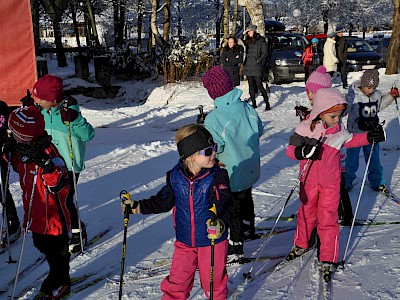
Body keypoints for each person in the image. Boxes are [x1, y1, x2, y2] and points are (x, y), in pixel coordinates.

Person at [121, 124, 233, 300]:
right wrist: (136, 206)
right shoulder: (175, 177)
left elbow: (226, 205)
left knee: (213, 285)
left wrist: (221, 224)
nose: (214, 154)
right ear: (190, 156)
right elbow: (162, 202)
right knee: (177, 283)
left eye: (215, 148)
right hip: (185, 242)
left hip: (212, 242)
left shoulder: (217, 177)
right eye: (208, 151)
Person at [286, 87, 385, 279]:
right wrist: (302, 152)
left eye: (339, 116)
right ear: (320, 112)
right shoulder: (305, 129)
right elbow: (290, 151)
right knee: (306, 214)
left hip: (331, 183)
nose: (337, 120)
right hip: (308, 182)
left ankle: (328, 256)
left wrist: (369, 137)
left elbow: (352, 140)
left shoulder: (338, 131)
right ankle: (302, 243)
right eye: (333, 116)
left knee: (328, 218)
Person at [8, 105, 71, 298]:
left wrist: (47, 165)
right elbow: (20, 167)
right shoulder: (24, 149)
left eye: (14, 132)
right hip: (35, 213)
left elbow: (59, 183)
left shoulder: (49, 153)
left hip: (53, 217)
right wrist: (9, 152)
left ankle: (61, 279)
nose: (11, 134)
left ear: (25, 136)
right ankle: (57, 270)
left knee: (56, 251)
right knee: (40, 243)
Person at [202, 66, 264, 262]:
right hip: (251, 166)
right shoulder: (247, 107)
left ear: (212, 92)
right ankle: (248, 229)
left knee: (233, 205)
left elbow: (215, 147)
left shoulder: (214, 118)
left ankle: (236, 244)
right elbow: (259, 129)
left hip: (231, 170)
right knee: (246, 197)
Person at [32, 74, 95, 252]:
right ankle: (60, 229)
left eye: (40, 98)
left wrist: (75, 120)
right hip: (51, 164)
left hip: (69, 165)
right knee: (54, 201)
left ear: (52, 99)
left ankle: (78, 232)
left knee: (66, 201)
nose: (37, 101)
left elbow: (88, 135)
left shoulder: (70, 112)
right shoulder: (43, 110)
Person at [294, 66, 353, 224]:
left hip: (334, 160)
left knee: (339, 188)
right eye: (309, 92)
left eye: (313, 92)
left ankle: (345, 215)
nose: (310, 96)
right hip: (319, 162)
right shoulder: (321, 108)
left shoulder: (331, 112)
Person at [344, 69, 399, 194]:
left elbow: (380, 105)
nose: (371, 90)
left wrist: (391, 96)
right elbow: (345, 109)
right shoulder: (353, 96)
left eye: (374, 87)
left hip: (372, 134)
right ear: (362, 84)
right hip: (355, 134)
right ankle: (347, 182)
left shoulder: (376, 95)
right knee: (352, 161)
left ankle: (377, 182)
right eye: (368, 87)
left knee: (374, 160)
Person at [0, 100, 21, 245]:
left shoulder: (3, 109)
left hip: (1, 155)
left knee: (2, 191)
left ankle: (13, 223)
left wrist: (8, 141)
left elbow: (12, 131)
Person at [239, 24, 271, 110]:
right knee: (251, 86)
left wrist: (258, 60)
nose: (249, 33)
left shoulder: (261, 40)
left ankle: (267, 103)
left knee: (259, 85)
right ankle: (254, 103)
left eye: (250, 31)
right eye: (248, 31)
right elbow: (238, 41)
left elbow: (265, 53)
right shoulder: (247, 41)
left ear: (254, 31)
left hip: (257, 66)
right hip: (248, 66)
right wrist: (243, 33)